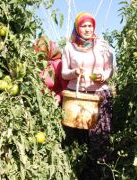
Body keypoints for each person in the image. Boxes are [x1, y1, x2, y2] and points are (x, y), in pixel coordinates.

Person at [61, 12, 113, 164]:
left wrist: (103, 75)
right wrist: (74, 72)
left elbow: (109, 69)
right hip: (76, 95)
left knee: (99, 133)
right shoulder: (69, 48)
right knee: (75, 130)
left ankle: (100, 166)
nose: (88, 29)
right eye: (84, 26)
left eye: (90, 25)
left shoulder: (102, 46)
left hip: (99, 94)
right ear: (77, 28)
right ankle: (76, 164)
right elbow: (64, 73)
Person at [34, 36, 68, 105]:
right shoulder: (36, 65)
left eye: (43, 53)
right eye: (39, 54)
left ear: (49, 51)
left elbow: (66, 89)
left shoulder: (58, 64)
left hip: (55, 106)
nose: (41, 56)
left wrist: (58, 98)